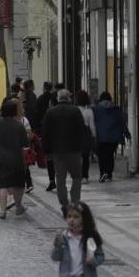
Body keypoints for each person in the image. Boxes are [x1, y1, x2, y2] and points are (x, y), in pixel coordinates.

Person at [42, 89, 87, 218]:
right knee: (77, 177)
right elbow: (82, 130)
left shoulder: (50, 112)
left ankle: (64, 204)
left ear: (58, 98)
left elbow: (45, 133)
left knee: (60, 179)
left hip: (58, 151)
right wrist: (82, 148)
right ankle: (75, 202)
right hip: (74, 151)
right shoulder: (75, 111)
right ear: (69, 98)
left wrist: (47, 151)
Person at [0, 100, 29, 219]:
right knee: (18, 184)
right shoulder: (19, 125)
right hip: (15, 159)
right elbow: (26, 144)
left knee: (2, 185)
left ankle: (2, 211)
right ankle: (18, 207)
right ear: (14, 111)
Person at [52, 202, 104, 277]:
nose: (71, 220)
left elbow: (100, 255)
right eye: (69, 216)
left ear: (84, 219)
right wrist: (57, 246)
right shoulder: (64, 236)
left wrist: (93, 261)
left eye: (76, 217)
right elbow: (55, 257)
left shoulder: (90, 237)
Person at [93, 92, 131, 183]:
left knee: (102, 156)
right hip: (113, 137)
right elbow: (121, 122)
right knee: (110, 155)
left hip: (100, 136)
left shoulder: (95, 109)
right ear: (110, 99)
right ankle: (109, 174)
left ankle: (103, 173)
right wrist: (127, 134)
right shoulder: (116, 109)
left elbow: (93, 122)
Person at [35, 81, 56, 190]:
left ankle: (52, 180)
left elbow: (37, 114)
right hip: (61, 142)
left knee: (50, 160)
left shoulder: (40, 100)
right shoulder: (54, 97)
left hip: (49, 139)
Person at [75, 90, 96, 185]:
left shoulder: (74, 110)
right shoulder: (89, 111)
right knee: (85, 157)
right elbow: (92, 126)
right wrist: (94, 135)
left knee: (76, 156)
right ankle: (85, 176)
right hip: (86, 134)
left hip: (76, 134)